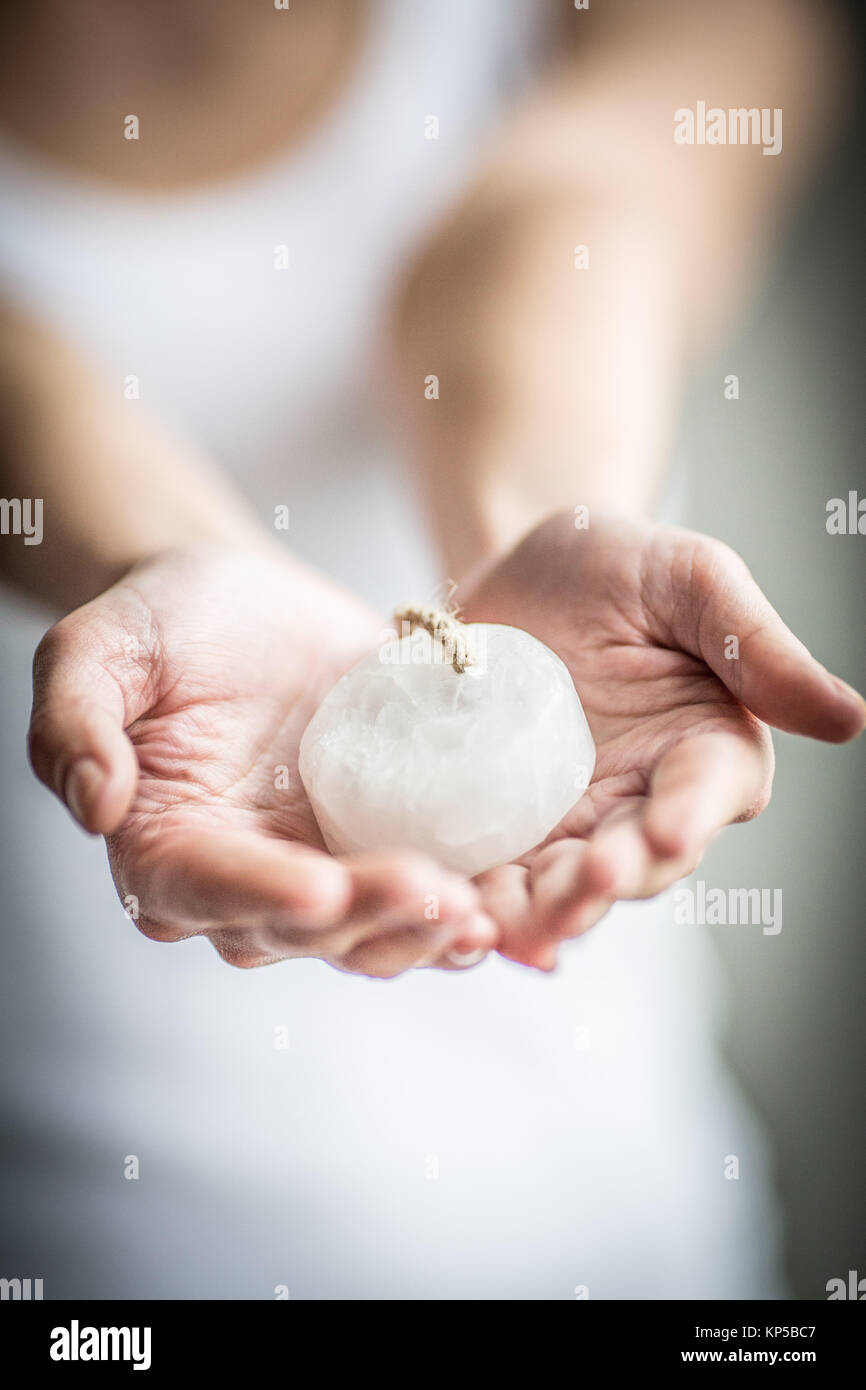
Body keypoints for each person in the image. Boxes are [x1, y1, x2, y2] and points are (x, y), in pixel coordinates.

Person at [0, 0, 862, 1298]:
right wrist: (154, 555)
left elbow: (556, 222)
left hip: (618, 1224)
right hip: (89, 1252)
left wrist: (543, 520)